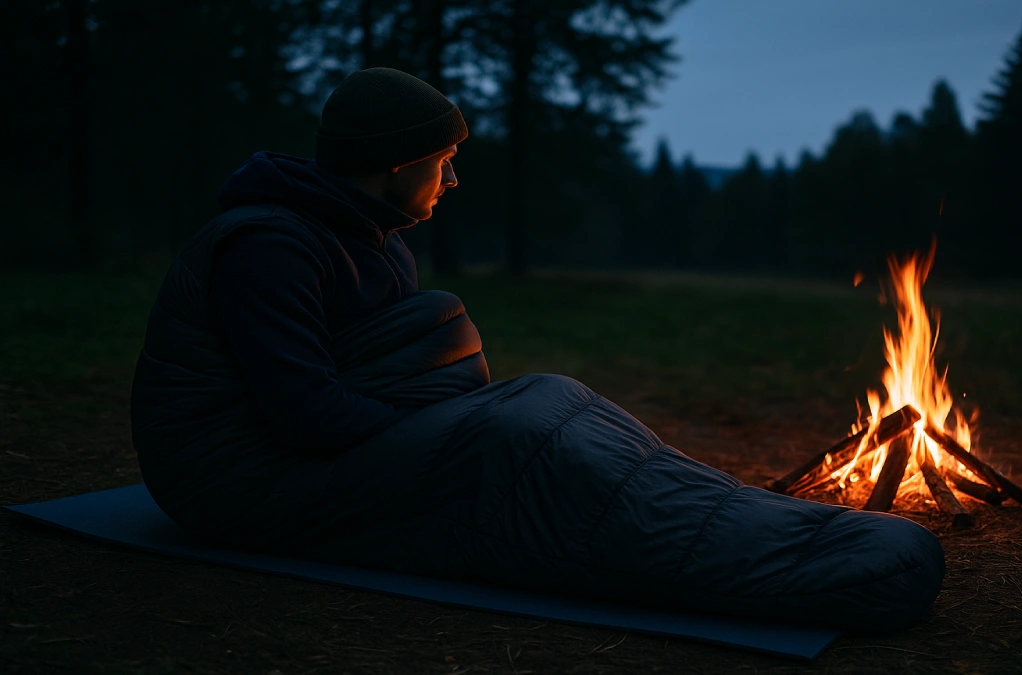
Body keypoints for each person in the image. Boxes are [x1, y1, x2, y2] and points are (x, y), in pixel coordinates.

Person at [132, 68, 944, 632]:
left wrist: (439, 414)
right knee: (511, 438)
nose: (452, 181)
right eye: (444, 163)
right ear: (398, 164)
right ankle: (837, 570)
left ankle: (807, 536)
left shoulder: (368, 237)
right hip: (236, 480)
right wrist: (442, 428)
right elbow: (303, 411)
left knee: (550, 397)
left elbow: (360, 375)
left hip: (309, 445)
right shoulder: (269, 248)